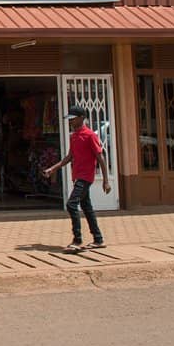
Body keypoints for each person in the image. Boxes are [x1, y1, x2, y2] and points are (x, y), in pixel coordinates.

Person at [43, 105, 111, 252]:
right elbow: (69, 157)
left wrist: (106, 180)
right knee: (87, 207)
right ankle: (98, 239)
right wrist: (52, 168)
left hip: (85, 177)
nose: (71, 122)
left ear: (81, 118)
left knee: (71, 205)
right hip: (77, 176)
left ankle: (77, 240)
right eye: (70, 120)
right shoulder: (74, 136)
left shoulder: (90, 135)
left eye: (73, 119)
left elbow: (101, 158)